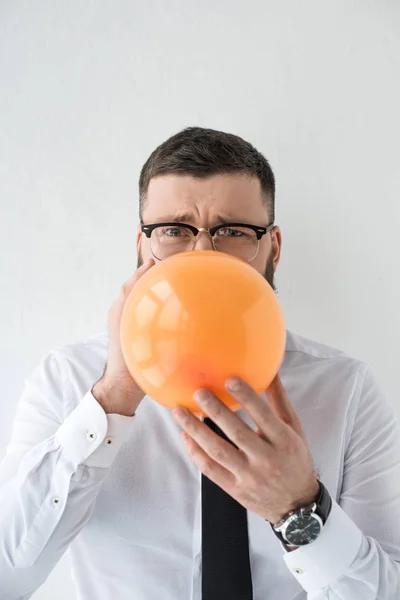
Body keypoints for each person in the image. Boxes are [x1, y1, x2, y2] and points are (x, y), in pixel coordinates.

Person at [1, 127, 399, 600]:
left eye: (233, 232)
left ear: (273, 248)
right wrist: (111, 399)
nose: (203, 253)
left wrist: (299, 508)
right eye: (173, 230)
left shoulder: (345, 388)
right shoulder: (68, 378)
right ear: (141, 247)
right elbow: (10, 576)